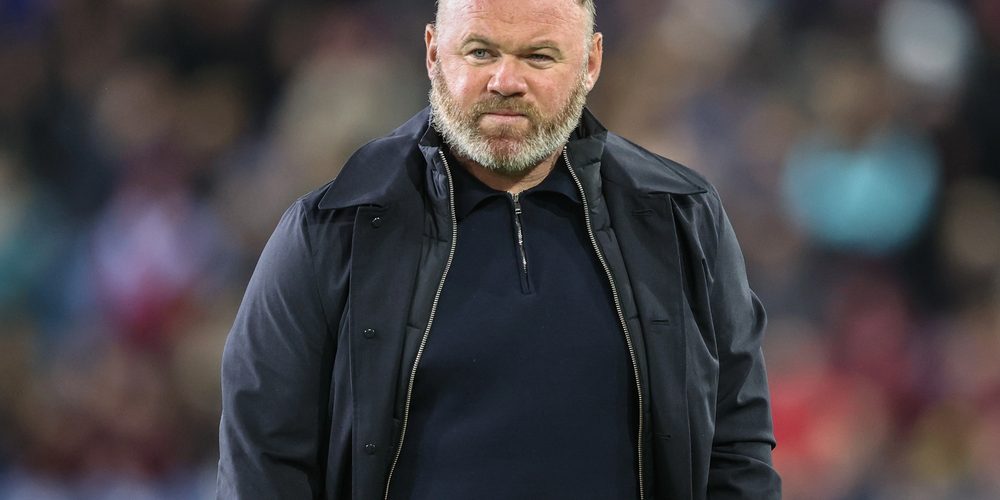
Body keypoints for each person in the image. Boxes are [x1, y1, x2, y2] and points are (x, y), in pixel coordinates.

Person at [216, 0, 781, 498]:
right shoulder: (333, 228)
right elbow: (264, 463)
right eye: (481, 51)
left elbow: (737, 449)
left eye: (539, 57)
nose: (506, 81)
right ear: (435, 53)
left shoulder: (680, 214)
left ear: (590, 63)